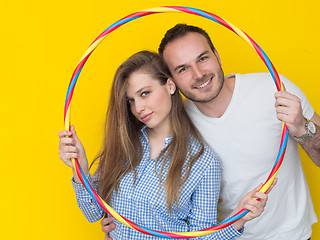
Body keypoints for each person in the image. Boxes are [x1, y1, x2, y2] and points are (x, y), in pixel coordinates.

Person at [99, 25, 320, 239]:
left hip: (291, 235)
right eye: (183, 69)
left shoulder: (274, 89)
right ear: (171, 82)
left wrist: (303, 129)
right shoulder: (176, 121)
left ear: (217, 56)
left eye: (203, 58)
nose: (198, 74)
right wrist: (124, 218)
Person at [59, 51, 273, 240]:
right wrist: (81, 169)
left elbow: (200, 237)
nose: (139, 108)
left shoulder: (203, 162)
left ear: (170, 85)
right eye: (130, 100)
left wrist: (238, 219)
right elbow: (93, 213)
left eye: (145, 93)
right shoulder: (124, 144)